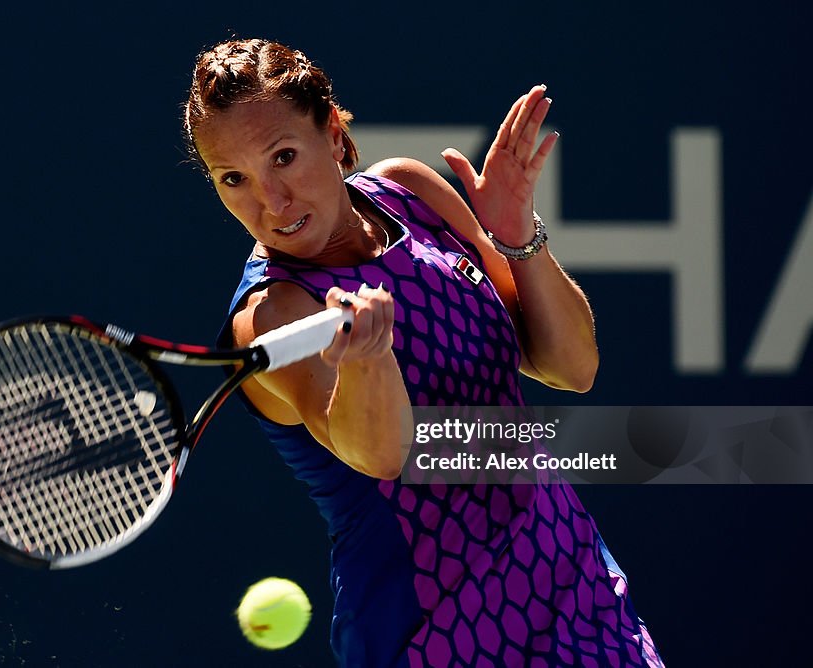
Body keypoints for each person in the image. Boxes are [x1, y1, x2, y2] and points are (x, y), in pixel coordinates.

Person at [183, 38, 664, 667]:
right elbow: (381, 456)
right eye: (234, 179)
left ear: (334, 133)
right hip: (438, 637)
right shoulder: (273, 316)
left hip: (579, 591)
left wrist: (519, 238)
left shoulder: (409, 190)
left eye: (283, 157)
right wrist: (368, 362)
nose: (271, 203)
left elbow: (572, 366)